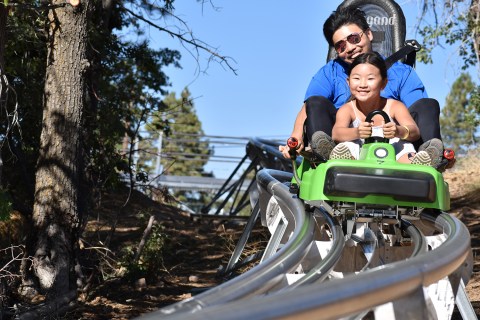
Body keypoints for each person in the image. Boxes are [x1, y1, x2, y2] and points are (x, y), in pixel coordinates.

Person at [279, 6, 442, 160]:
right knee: (315, 102)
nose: (350, 48)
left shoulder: (402, 73)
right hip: (345, 144)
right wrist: (296, 134)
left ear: (369, 34)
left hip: (394, 144)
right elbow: (310, 105)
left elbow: (418, 111)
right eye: (341, 46)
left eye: (354, 39)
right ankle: (326, 158)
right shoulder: (330, 72)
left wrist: (398, 130)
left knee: (427, 105)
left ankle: (428, 157)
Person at [328, 51, 441, 166]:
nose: (362, 84)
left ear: (383, 83)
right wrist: (357, 132)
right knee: (349, 145)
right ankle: (344, 160)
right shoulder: (348, 109)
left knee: (403, 146)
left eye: (370, 79)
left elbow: (415, 132)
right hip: (360, 153)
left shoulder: (394, 106)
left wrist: (398, 131)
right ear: (348, 82)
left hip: (392, 151)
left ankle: (416, 165)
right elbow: (336, 133)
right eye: (356, 78)